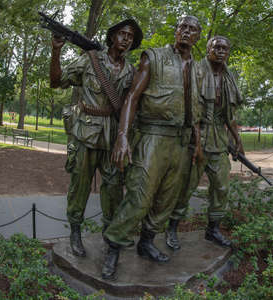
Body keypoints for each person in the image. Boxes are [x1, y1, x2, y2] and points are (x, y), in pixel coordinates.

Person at [101, 16, 203, 280]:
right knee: (140, 195)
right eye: (182, 27)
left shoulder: (198, 68)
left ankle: (147, 242)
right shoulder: (153, 57)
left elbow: (196, 110)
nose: (186, 32)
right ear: (176, 31)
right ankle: (113, 246)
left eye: (192, 29)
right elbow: (132, 97)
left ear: (198, 37)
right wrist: (122, 136)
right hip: (152, 136)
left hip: (181, 141)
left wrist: (197, 144)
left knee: (166, 199)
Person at [49, 19, 143, 257]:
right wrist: (56, 50)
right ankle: (75, 233)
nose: (126, 39)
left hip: (114, 138)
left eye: (130, 37)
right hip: (86, 134)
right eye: (122, 33)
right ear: (112, 36)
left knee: (113, 190)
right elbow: (56, 82)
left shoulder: (132, 72)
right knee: (79, 186)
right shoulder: (90, 60)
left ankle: (110, 236)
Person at [165, 36, 243, 250]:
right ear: (208, 49)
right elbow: (192, 110)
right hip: (195, 135)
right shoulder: (195, 71)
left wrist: (237, 139)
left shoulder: (228, 77)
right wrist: (197, 144)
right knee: (186, 186)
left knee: (221, 186)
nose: (220, 51)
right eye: (216, 47)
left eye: (225, 48)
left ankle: (213, 229)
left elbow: (229, 113)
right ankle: (172, 228)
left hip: (219, 139)